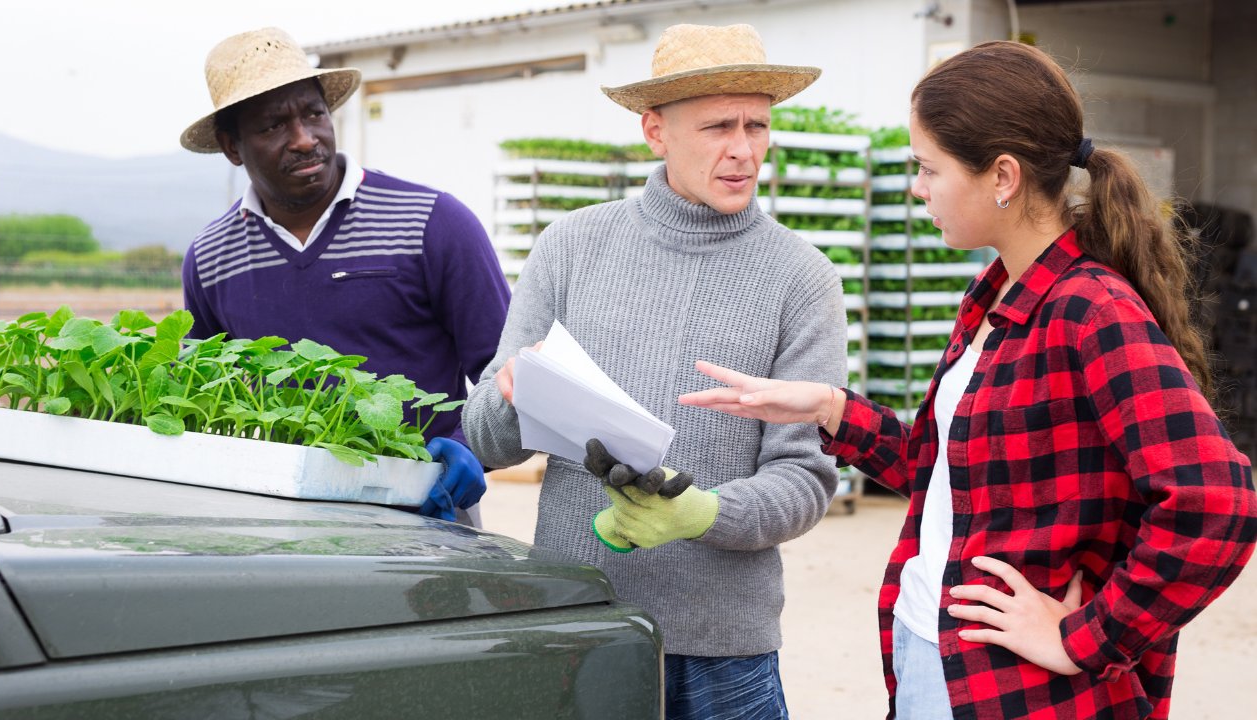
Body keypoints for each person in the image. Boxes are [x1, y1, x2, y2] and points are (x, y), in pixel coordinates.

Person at [679, 40, 1257, 720]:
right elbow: (949, 473)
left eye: (929, 168)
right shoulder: (995, 293)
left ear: (1002, 177)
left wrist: (1088, 637)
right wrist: (829, 408)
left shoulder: (1090, 310)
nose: (918, 188)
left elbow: (1216, 502)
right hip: (934, 661)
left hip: (1019, 693)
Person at [462, 23, 846, 719]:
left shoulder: (802, 278)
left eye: (757, 125)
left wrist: (707, 514)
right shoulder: (572, 247)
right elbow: (486, 439)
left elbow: (808, 479)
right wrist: (515, 398)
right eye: (717, 126)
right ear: (654, 131)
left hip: (725, 648)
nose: (743, 149)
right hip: (577, 620)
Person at [179, 27, 510, 522]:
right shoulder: (211, 257)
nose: (304, 139)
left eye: (313, 113)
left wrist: (465, 449)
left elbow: (505, 372)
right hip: (275, 520)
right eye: (273, 126)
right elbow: (201, 392)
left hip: (424, 511)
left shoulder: (432, 221)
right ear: (232, 146)